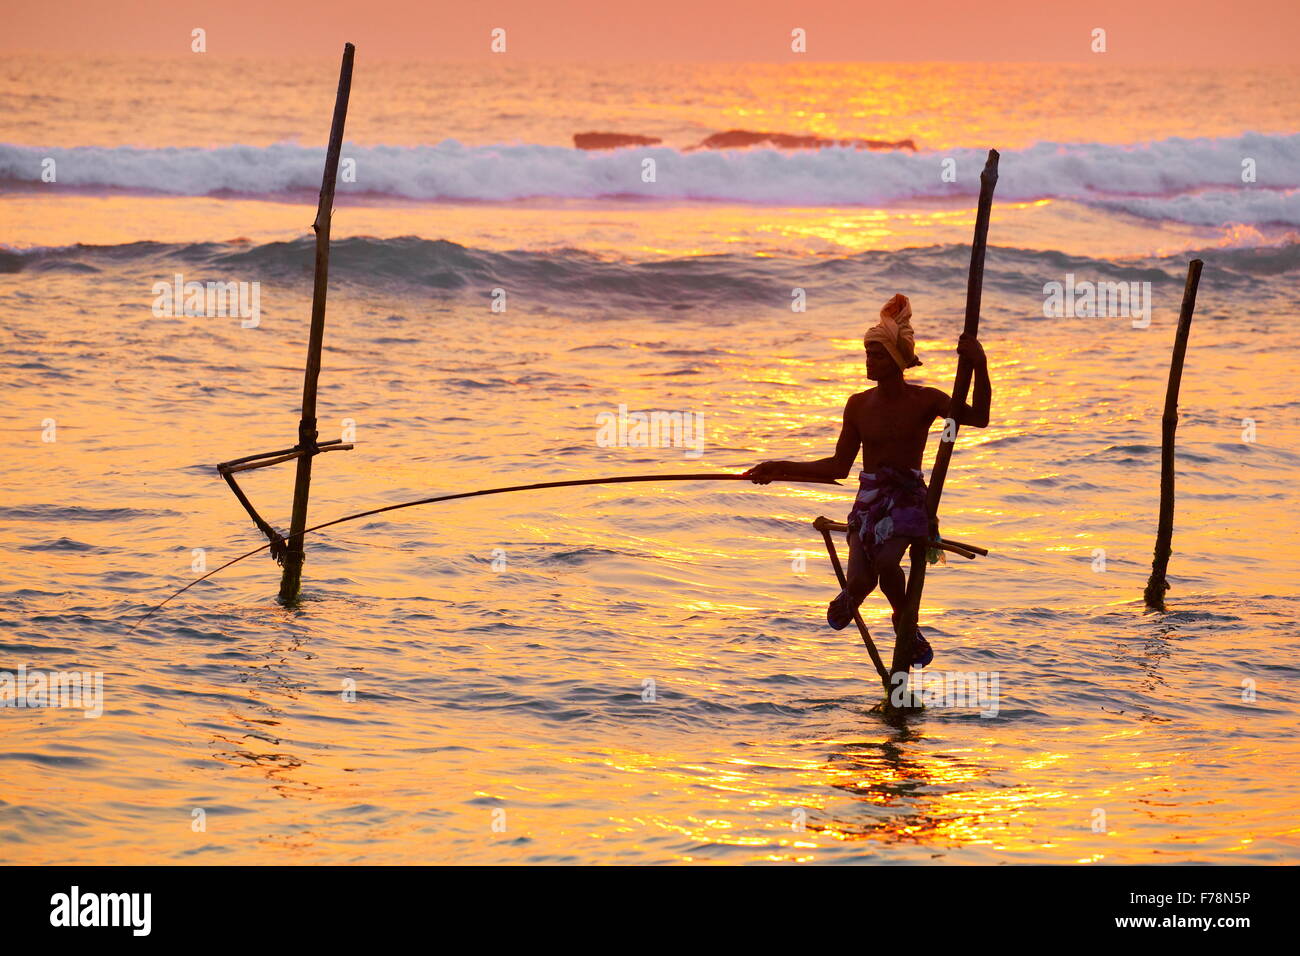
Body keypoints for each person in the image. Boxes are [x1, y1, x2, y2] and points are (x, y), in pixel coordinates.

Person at [745, 294, 991, 665]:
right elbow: (837, 467)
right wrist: (776, 468)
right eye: (867, 354)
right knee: (860, 583)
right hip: (870, 502)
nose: (868, 362)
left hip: (908, 501)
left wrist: (980, 365)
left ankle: (903, 622)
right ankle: (851, 597)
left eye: (876, 355)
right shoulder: (858, 405)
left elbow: (980, 417)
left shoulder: (926, 400)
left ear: (895, 360)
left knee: (889, 562)